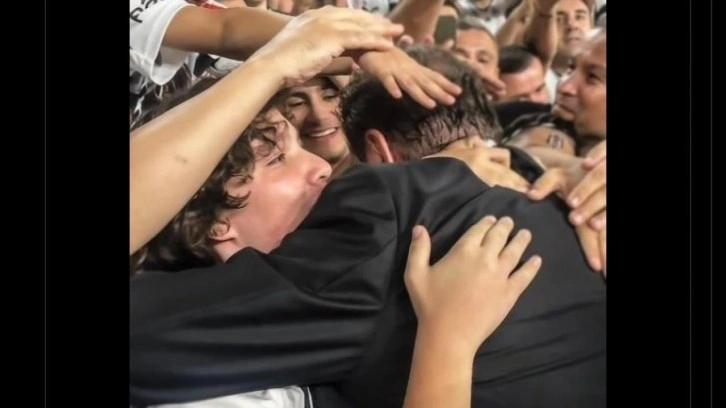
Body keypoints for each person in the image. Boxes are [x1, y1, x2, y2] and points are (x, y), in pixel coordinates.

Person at [130, 42, 605, 408]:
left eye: (299, 146)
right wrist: (448, 343)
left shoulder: (379, 225)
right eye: (276, 159)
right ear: (211, 224)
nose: (321, 166)